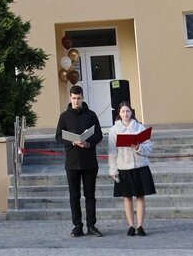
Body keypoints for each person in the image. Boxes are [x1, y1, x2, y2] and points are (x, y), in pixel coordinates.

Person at [55, 84, 104, 237]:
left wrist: (88, 143)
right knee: (74, 196)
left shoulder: (91, 115)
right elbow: (58, 136)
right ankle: (77, 226)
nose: (76, 101)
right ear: (70, 98)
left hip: (89, 161)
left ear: (83, 98)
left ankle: (91, 225)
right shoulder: (64, 116)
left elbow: (99, 134)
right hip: (72, 162)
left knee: (90, 195)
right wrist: (72, 141)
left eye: (78, 98)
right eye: (73, 98)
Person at [108, 101, 156, 236]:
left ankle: (140, 226)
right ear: (119, 113)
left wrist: (138, 147)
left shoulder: (139, 127)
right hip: (124, 167)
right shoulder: (114, 130)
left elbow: (149, 147)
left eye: (128, 111)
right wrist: (113, 170)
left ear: (131, 112)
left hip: (140, 166)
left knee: (140, 196)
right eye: (123, 111)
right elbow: (112, 152)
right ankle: (131, 226)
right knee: (127, 197)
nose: (125, 114)